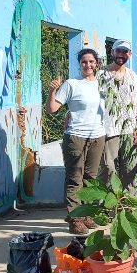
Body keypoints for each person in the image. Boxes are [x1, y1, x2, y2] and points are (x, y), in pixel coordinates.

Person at [45, 48, 106, 235]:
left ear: (97, 63)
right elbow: (51, 109)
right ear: (80, 64)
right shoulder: (72, 84)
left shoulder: (104, 85)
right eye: (84, 62)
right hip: (75, 136)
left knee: (90, 178)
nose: (88, 65)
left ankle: (87, 213)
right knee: (75, 178)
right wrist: (52, 90)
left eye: (91, 62)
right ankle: (75, 219)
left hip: (97, 136)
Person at [100, 40, 137, 196]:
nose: (121, 55)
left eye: (125, 52)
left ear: (129, 55)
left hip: (129, 130)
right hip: (108, 130)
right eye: (118, 51)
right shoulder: (101, 75)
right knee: (108, 170)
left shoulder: (132, 76)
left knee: (130, 170)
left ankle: (128, 205)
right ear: (112, 52)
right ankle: (106, 206)